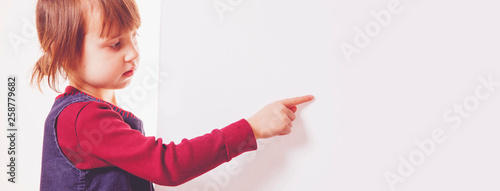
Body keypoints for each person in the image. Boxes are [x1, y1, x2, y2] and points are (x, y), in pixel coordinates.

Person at [31, 0, 314, 190]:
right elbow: (167, 164)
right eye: (116, 44)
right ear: (64, 53)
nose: (134, 53)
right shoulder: (82, 119)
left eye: (134, 36)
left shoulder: (92, 114)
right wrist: (251, 128)